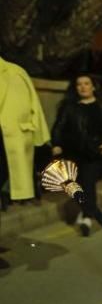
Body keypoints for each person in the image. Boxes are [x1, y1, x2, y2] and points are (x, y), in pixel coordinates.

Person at [50, 74, 102, 236]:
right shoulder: (69, 107)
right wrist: (57, 144)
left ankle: (87, 217)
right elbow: (59, 126)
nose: (83, 87)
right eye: (79, 84)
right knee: (78, 185)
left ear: (93, 86)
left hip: (94, 153)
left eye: (87, 84)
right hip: (73, 153)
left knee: (88, 182)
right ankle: (85, 210)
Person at [0, 56, 50, 208]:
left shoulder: (15, 72)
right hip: (12, 134)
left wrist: (40, 134)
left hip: (13, 134)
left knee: (10, 170)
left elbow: (34, 103)